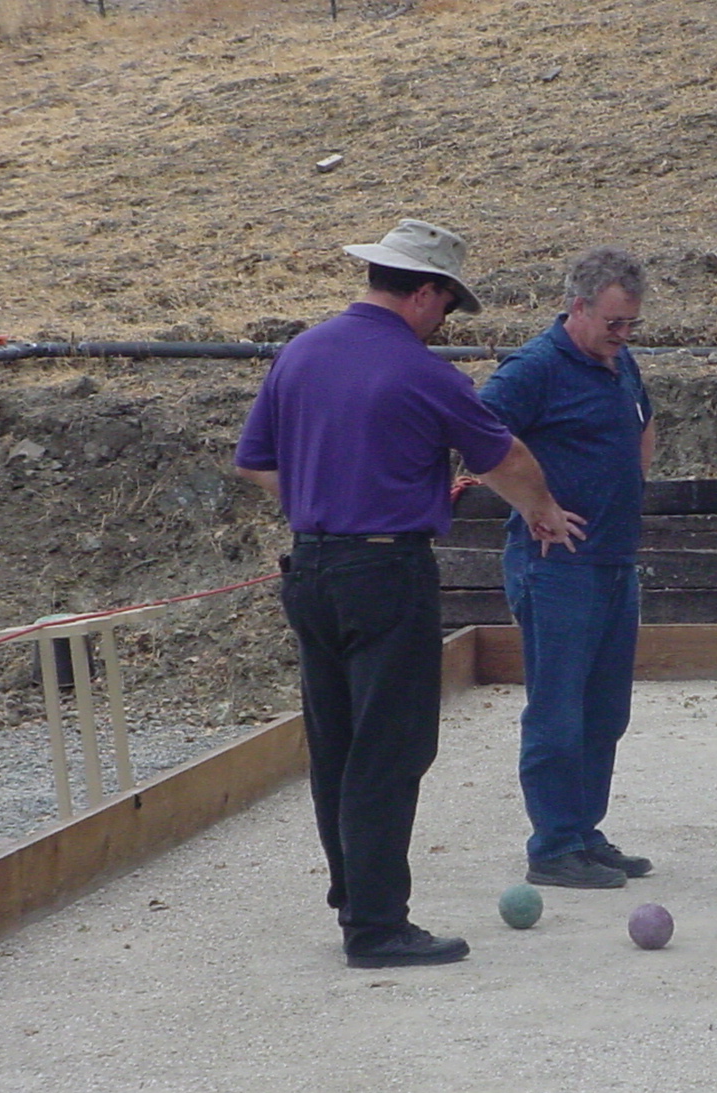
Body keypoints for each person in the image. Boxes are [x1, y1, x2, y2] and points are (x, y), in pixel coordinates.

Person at [235, 218, 581, 968]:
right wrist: (541, 511)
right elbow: (506, 456)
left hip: (314, 568)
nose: (443, 323)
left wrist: (325, 502)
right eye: (448, 307)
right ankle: (379, 926)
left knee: (338, 747)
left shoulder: (299, 354)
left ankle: (354, 899)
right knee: (391, 749)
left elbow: (256, 463)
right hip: (386, 574)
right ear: (426, 293)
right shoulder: (424, 373)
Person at [480, 247, 655, 889]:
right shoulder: (533, 369)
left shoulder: (619, 361)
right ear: (577, 307)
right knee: (557, 710)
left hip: (613, 561)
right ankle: (552, 846)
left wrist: (631, 480)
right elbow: (479, 437)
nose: (624, 335)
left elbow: (643, 423)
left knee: (605, 710)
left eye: (632, 324)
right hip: (556, 568)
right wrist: (536, 504)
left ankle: (585, 832)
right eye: (613, 322)